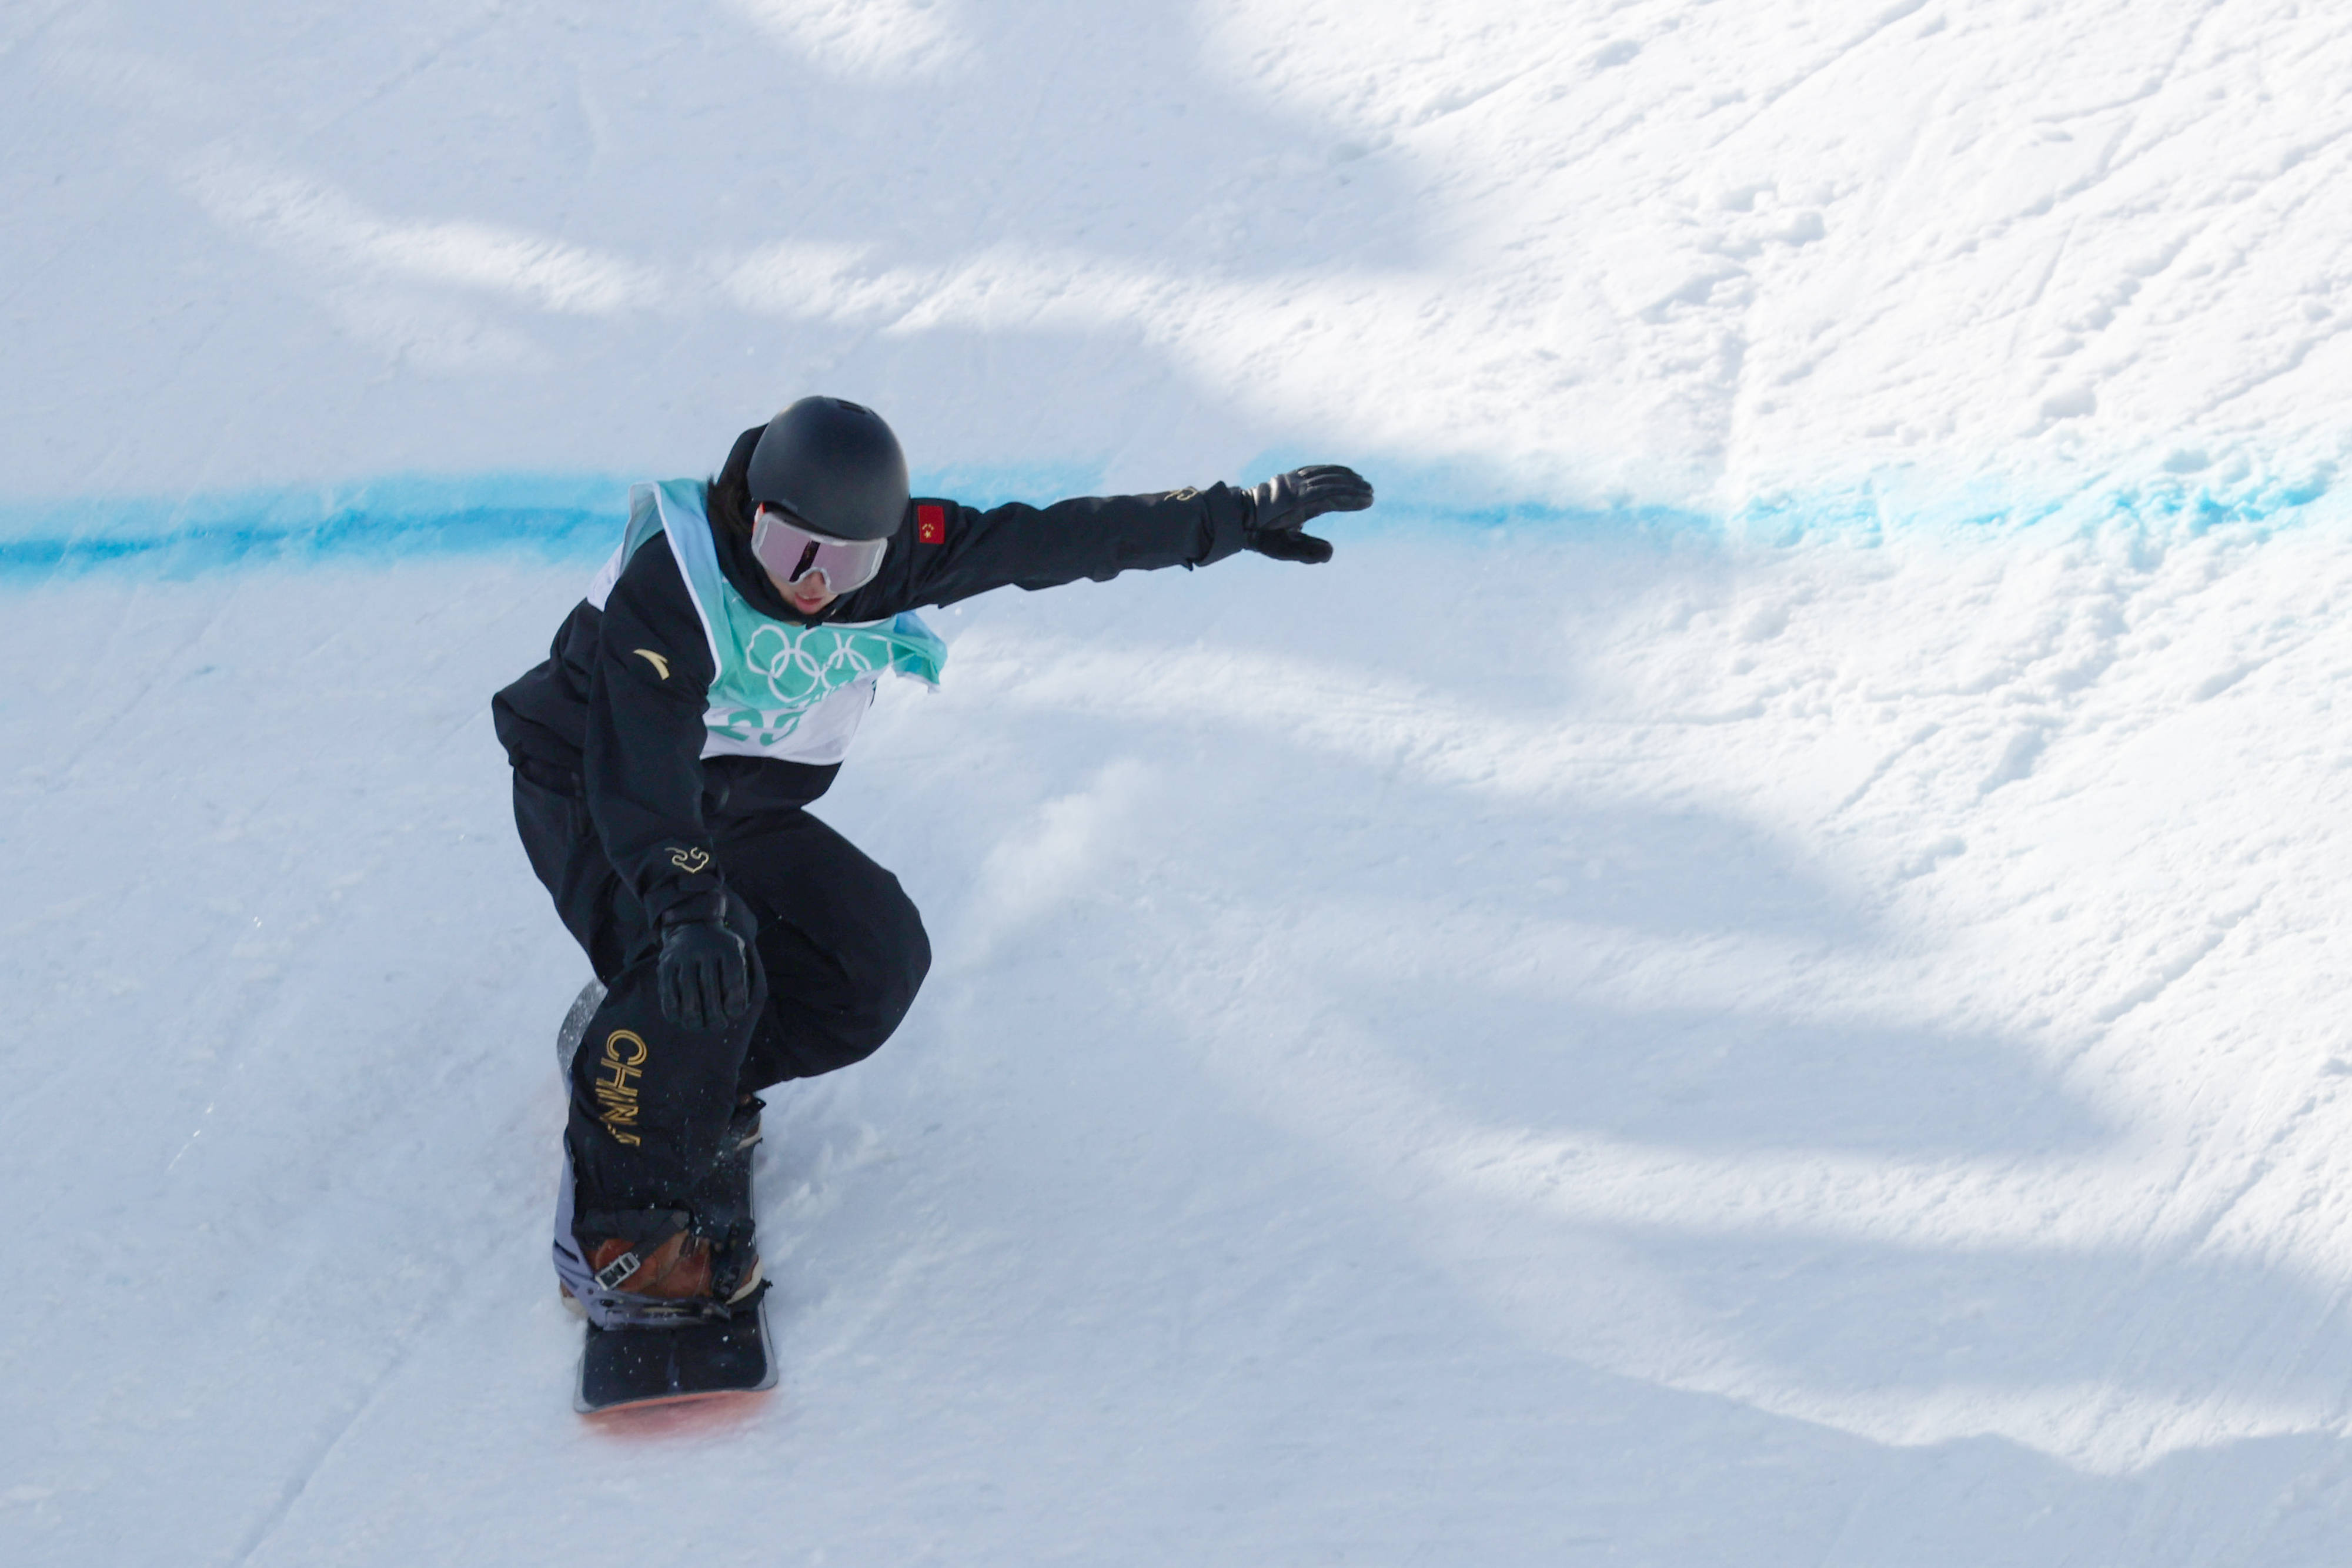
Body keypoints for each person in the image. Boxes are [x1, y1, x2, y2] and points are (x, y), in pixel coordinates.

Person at [492, 396, 1374, 1328]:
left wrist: (1224, 520)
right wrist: (686, 913)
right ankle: (618, 1232)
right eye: (798, 554)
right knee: (712, 959)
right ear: (754, 513)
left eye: (851, 564)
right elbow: (642, 769)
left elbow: (1050, 540)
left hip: (728, 795)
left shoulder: (893, 560)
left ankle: (695, 1074)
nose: (817, 587)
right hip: (598, 787)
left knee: (872, 964)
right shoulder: (678, 578)